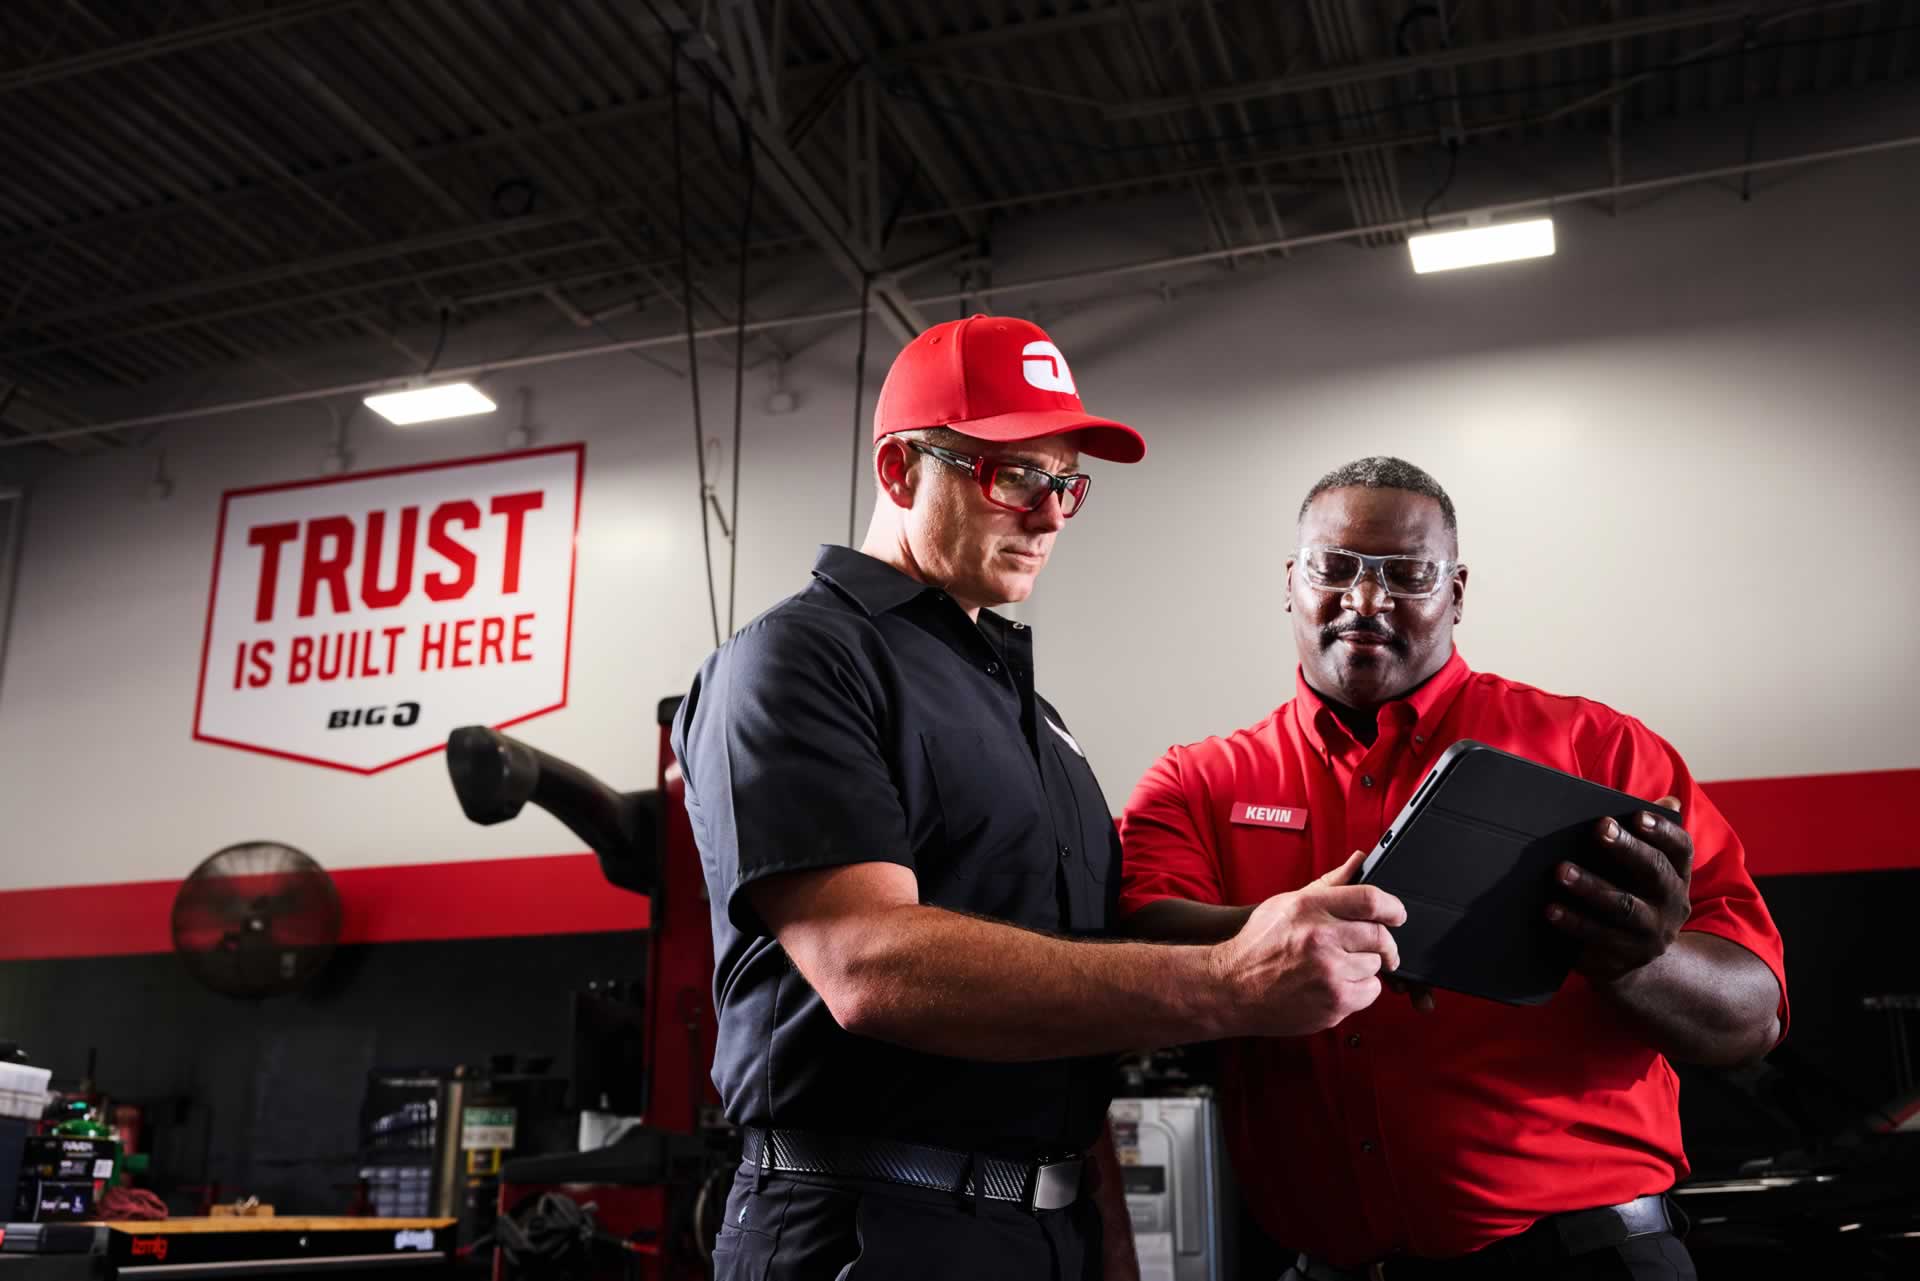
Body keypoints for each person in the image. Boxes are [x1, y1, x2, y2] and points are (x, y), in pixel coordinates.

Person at [671, 319, 1408, 1281]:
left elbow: (1077, 976)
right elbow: (868, 962)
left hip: (1048, 1224)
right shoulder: (799, 660)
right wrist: (1230, 977)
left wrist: (1277, 923)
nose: (1052, 514)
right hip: (865, 1228)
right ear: (900, 470)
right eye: (1014, 475)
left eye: (1067, 482)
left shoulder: (1032, 713)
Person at [1118, 456, 1787, 1281]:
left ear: (1457, 592)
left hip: (1588, 1262)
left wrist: (1633, 959)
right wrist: (1288, 934)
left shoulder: (1601, 751)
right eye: (1335, 567)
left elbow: (1752, 1017)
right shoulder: (1195, 783)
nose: (1367, 600)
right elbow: (1141, 951)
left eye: (1408, 574)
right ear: (1291, 581)